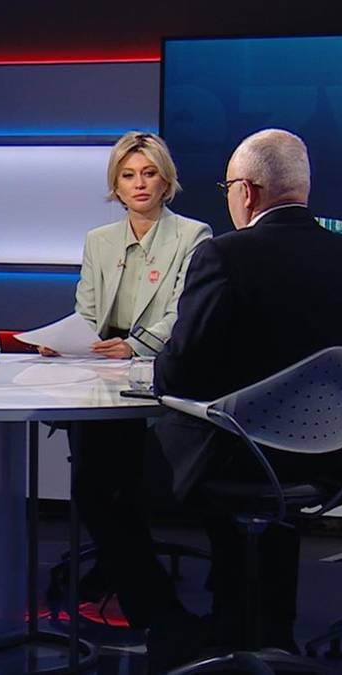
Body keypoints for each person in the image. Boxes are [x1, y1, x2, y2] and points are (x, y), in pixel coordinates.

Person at [146, 129, 342, 663]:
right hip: (331, 455)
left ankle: (172, 622)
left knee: (110, 475)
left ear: (247, 192)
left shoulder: (223, 256)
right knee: (258, 471)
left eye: (227, 188)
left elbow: (179, 372)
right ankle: (268, 631)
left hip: (238, 454)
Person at [38, 131, 212, 632]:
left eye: (149, 173)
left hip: (154, 371)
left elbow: (183, 313)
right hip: (98, 371)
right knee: (95, 484)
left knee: (111, 488)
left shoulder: (193, 236)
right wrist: (65, 340)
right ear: (115, 185)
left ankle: (146, 599)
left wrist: (134, 346)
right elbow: (88, 311)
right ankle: (141, 590)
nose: (139, 184)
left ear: (166, 181)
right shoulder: (100, 241)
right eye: (128, 175)